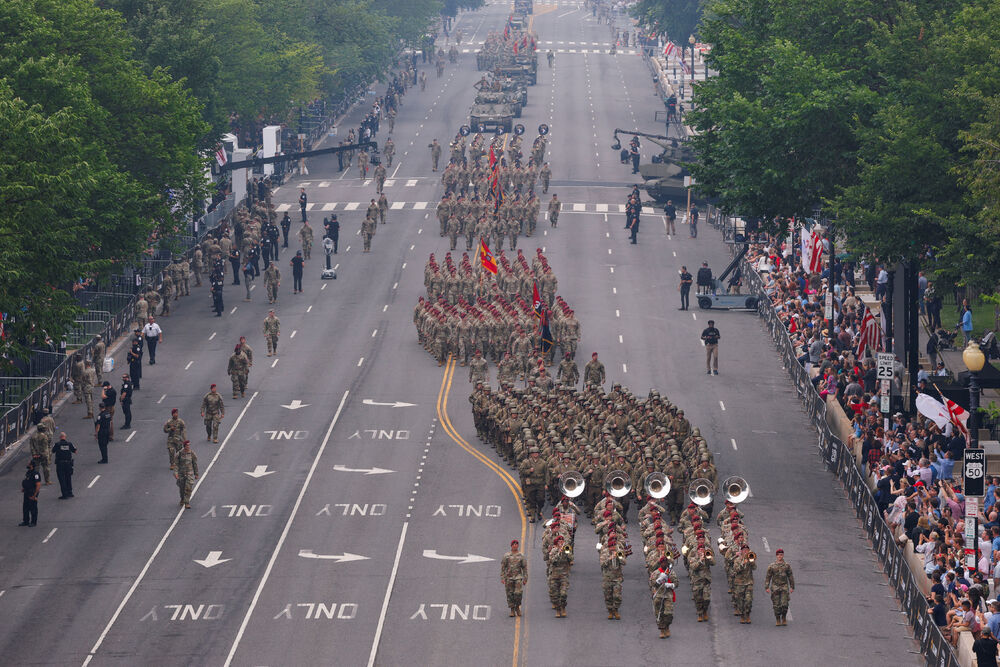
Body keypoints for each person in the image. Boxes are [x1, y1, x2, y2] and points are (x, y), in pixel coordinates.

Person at [764, 548, 795, 626]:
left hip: (784, 586)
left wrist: (792, 586)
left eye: (781, 555)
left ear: (783, 555)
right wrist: (767, 587)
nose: (780, 556)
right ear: (776, 556)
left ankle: (784, 617)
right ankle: (777, 619)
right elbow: (768, 577)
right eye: (778, 555)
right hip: (775, 587)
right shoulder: (772, 566)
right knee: (776, 605)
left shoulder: (787, 565)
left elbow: (790, 576)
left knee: (784, 604)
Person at [547, 534, 574, 618]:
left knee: (563, 594)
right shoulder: (554, 550)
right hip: (554, 575)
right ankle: (558, 610)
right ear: (557, 542)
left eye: (562, 541)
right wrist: (559, 552)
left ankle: (563, 607)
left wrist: (566, 551)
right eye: (560, 541)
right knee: (555, 594)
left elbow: (571, 559)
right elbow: (552, 560)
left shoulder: (566, 549)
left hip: (564, 575)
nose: (561, 543)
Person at [500, 539, 528, 617]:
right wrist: (502, 577)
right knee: (510, 594)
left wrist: (525, 578)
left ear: (518, 546)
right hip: (509, 578)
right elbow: (503, 567)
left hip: (518, 577)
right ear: (511, 546)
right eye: (513, 544)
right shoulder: (506, 556)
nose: (515, 546)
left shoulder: (521, 556)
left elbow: (524, 568)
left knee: (518, 593)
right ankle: (512, 609)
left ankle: (517, 607)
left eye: (516, 544)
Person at [651, 558, 676, 638]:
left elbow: (676, 583)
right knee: (659, 613)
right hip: (658, 595)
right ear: (660, 563)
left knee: (668, 613)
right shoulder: (656, 573)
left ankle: (667, 626)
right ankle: (662, 630)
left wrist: (671, 585)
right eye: (662, 563)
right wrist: (658, 581)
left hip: (668, 595)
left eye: (665, 562)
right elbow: (652, 583)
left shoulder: (671, 572)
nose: (664, 564)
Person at [732, 544, 756, 623]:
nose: (746, 552)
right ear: (741, 551)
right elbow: (736, 569)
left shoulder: (750, 558)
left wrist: (752, 561)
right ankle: (742, 615)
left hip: (749, 582)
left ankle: (747, 615)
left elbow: (754, 568)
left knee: (749, 600)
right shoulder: (737, 560)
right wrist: (743, 563)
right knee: (740, 601)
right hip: (739, 583)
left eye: (747, 550)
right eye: (744, 550)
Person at [174, 441, 199, 509]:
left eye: (189, 445)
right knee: (182, 488)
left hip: (189, 473)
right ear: (184, 446)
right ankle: (182, 498)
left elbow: (195, 464)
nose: (188, 447)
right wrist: (176, 473)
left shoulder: (192, 453)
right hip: (181, 474)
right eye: (187, 445)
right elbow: (176, 464)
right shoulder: (179, 454)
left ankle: (187, 502)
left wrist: (196, 474)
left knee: (188, 488)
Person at [52, 432, 77, 499]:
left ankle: (64, 494)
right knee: (68, 478)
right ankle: (70, 492)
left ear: (60, 437)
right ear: (65, 437)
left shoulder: (57, 444)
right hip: (68, 464)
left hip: (60, 464)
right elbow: (75, 451)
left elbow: (53, 451)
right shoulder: (69, 444)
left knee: (62, 479)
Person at [20, 459, 42, 526]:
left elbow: (38, 485)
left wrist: (35, 495)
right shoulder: (28, 472)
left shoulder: (36, 474)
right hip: (27, 491)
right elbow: (27, 481)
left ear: (31, 465)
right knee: (25, 507)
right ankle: (26, 521)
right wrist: (24, 488)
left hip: (32, 492)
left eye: (29, 463)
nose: (27, 464)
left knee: (33, 507)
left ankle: (33, 522)